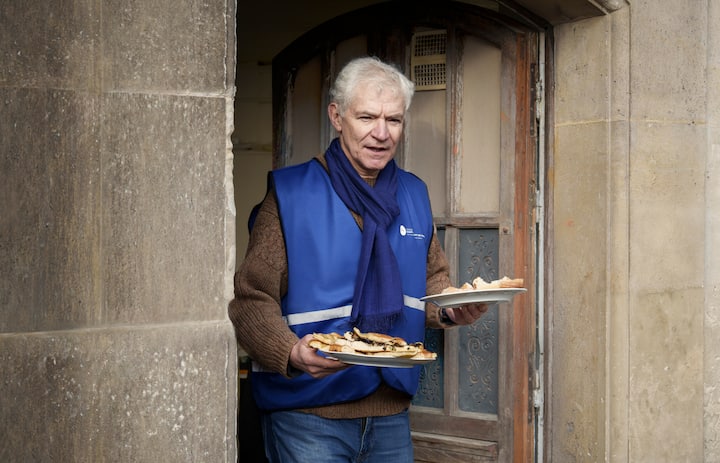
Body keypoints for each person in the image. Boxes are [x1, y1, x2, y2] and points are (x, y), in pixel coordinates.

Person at [228, 56, 489, 463]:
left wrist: (455, 309)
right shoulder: (291, 194)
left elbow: (430, 284)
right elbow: (250, 300)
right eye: (367, 117)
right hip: (307, 413)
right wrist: (291, 352)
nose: (381, 133)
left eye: (394, 120)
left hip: (391, 416)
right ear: (337, 116)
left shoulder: (414, 193)